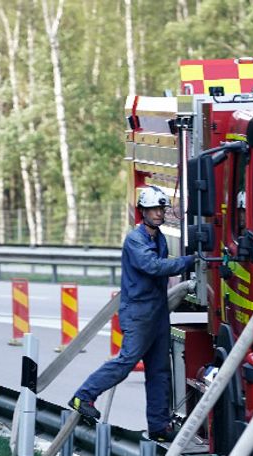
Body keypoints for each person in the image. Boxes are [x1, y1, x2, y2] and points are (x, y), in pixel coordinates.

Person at [68, 186, 195, 441]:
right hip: (138, 313)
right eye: (154, 210)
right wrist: (189, 261)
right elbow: (153, 266)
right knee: (126, 362)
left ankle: (159, 427)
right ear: (143, 212)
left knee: (159, 371)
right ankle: (83, 396)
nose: (159, 214)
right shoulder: (136, 240)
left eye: (161, 209)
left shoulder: (157, 237)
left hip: (157, 312)